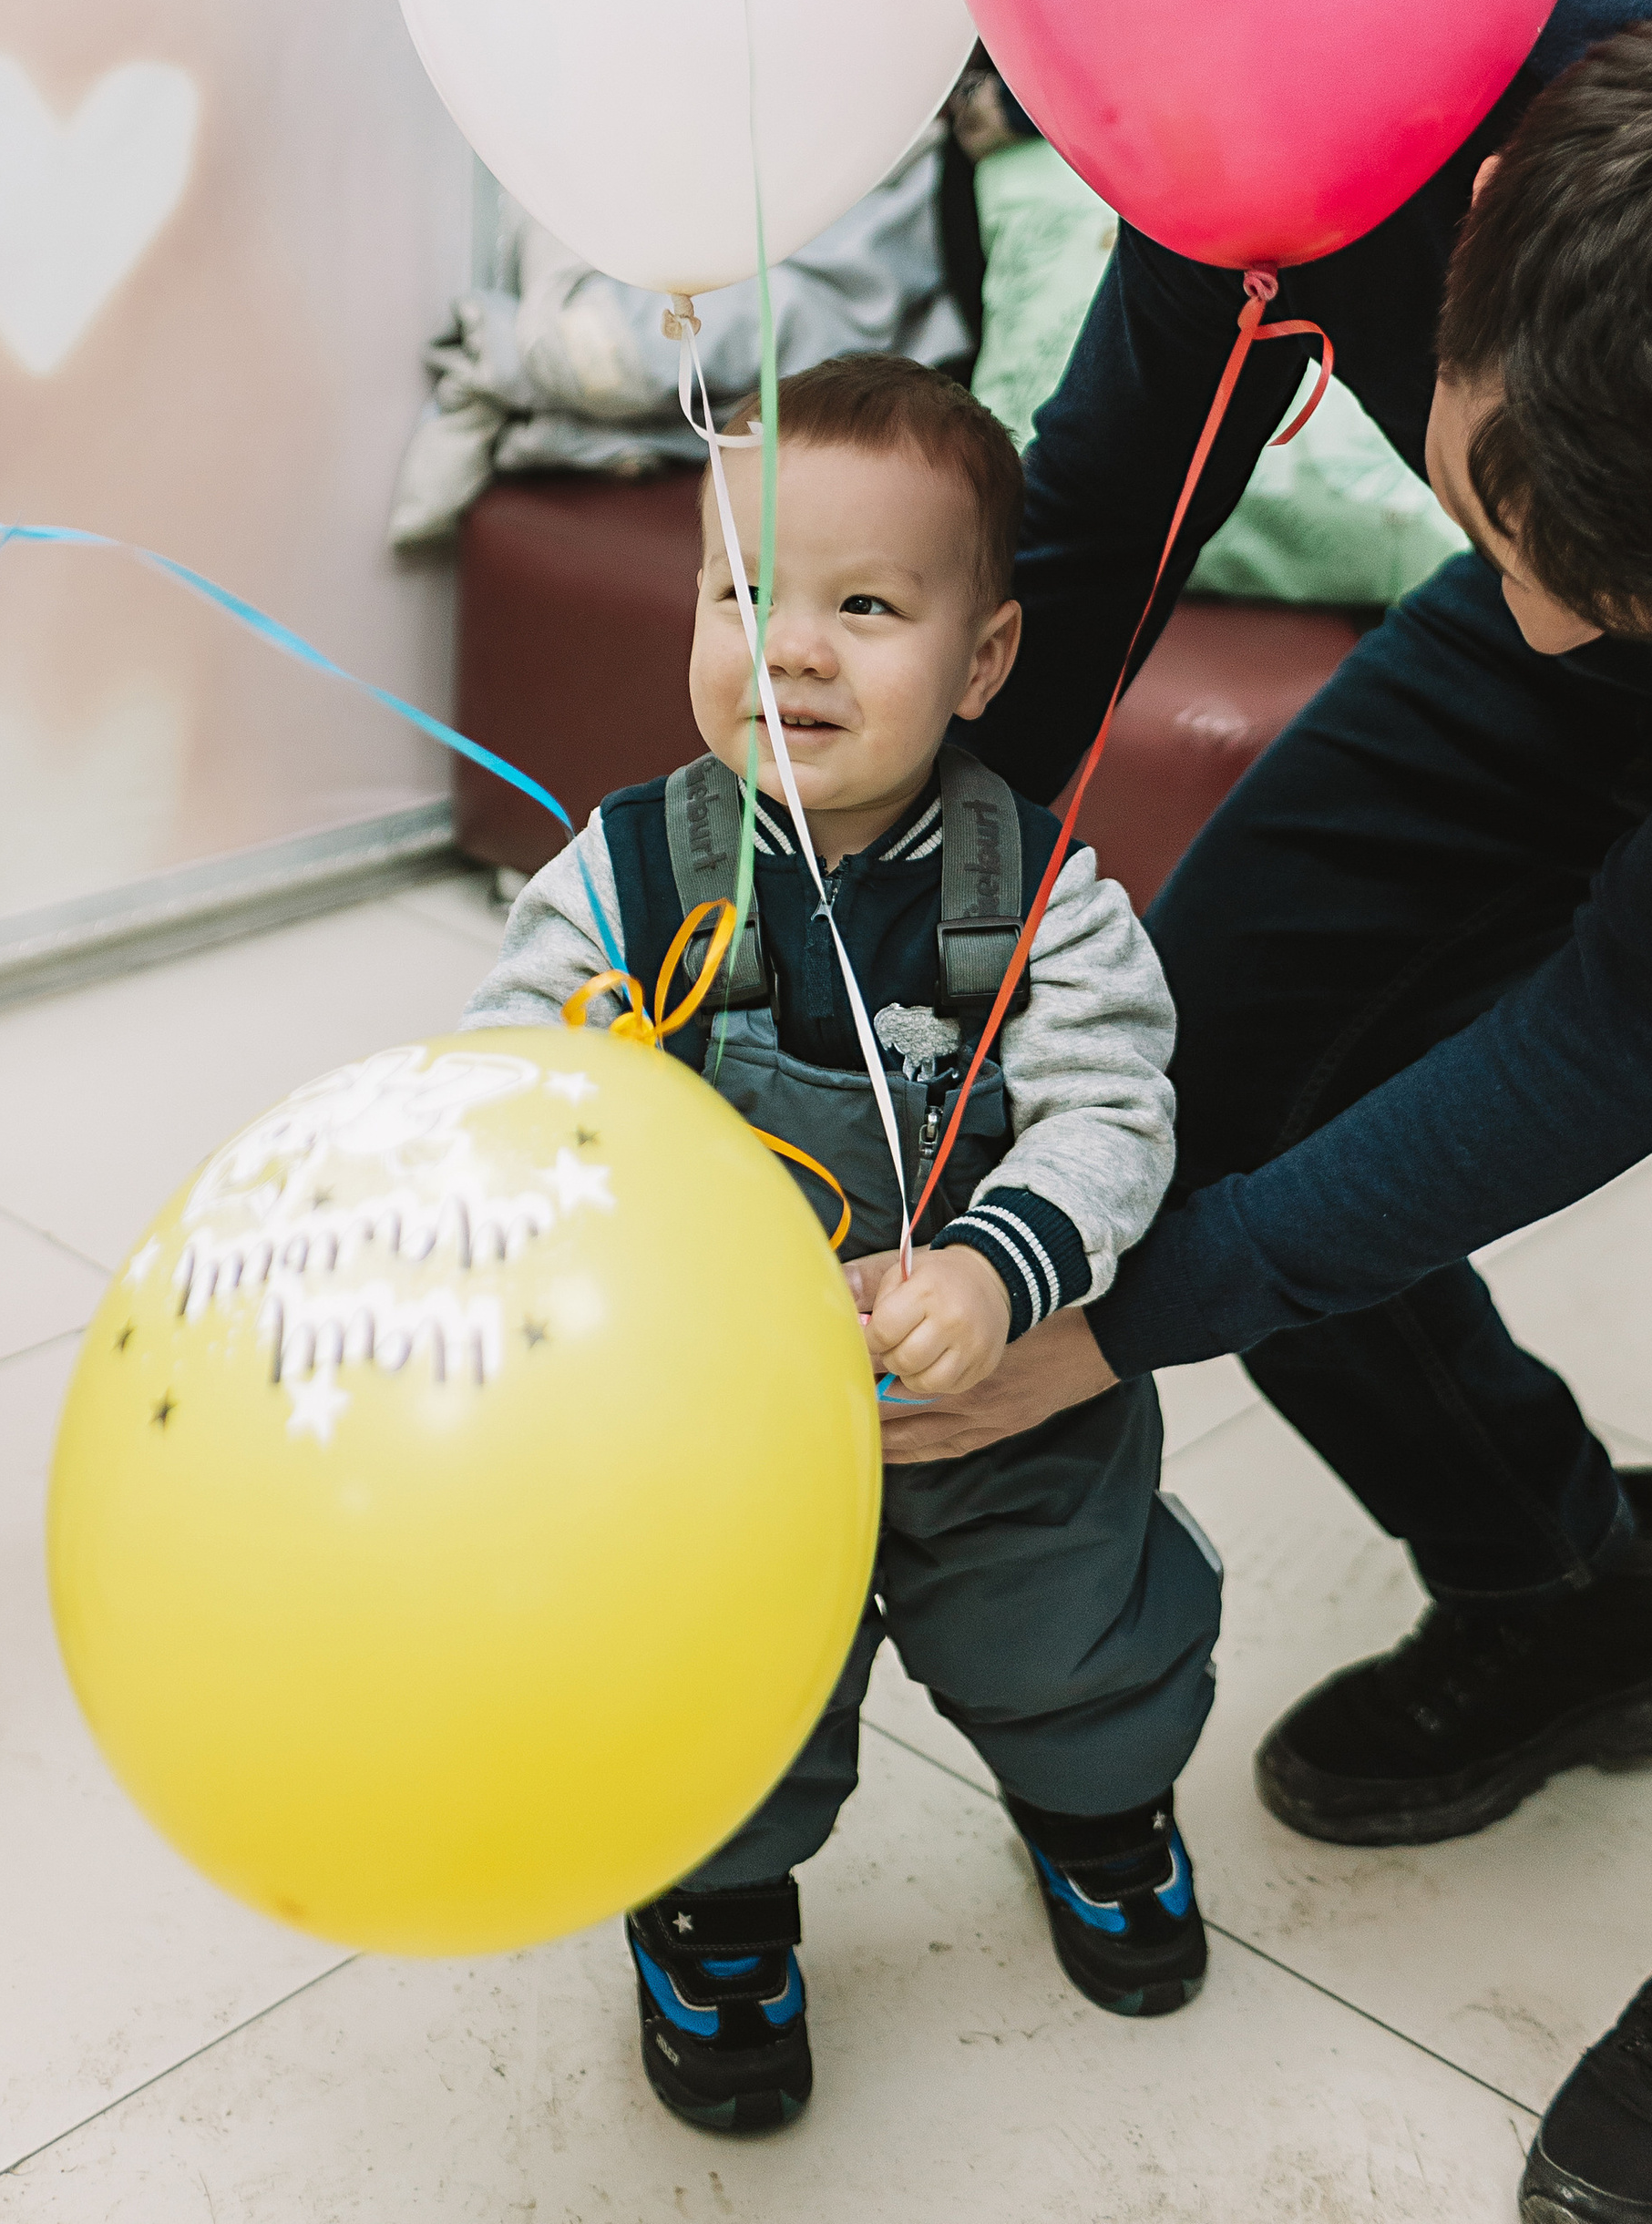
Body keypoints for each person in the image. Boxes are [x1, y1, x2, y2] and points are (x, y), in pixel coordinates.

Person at [891, 0, 1652, 2224]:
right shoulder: (1306, 105)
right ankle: (1557, 1585)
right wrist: (900, 935)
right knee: (1189, 1099)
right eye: (1494, 526)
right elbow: (1094, 516)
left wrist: (1108, 1335)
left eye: (1625, 606)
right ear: (1477, 242)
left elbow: (1637, 1018)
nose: (1551, 623)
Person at [460, 354, 1222, 2136]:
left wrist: (993, 1265)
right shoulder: (618, 876)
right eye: (745, 594)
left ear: (981, 663)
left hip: (993, 1392)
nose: (788, 648)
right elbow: (509, 1089)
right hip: (709, 1433)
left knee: (1070, 1637)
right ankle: (715, 1910)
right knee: (706, 1681)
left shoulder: (1044, 895)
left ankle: (1100, 1814)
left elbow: (1118, 1118)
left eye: (862, 607)